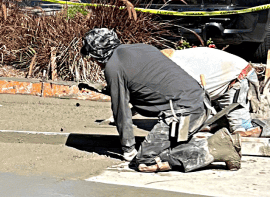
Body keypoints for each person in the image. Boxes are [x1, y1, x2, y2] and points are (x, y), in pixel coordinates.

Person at [81, 28, 242, 173]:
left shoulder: (113, 66)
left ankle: (215, 149)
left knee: (145, 160)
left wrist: (129, 149)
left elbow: (121, 111)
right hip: (200, 104)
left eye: (92, 57)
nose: (94, 62)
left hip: (183, 114)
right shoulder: (141, 48)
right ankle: (226, 142)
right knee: (172, 144)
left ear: (98, 53)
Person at [163, 47, 261, 137]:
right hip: (228, 72)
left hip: (236, 75)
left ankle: (242, 139)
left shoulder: (175, 67)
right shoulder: (174, 61)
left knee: (239, 125)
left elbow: (188, 95)